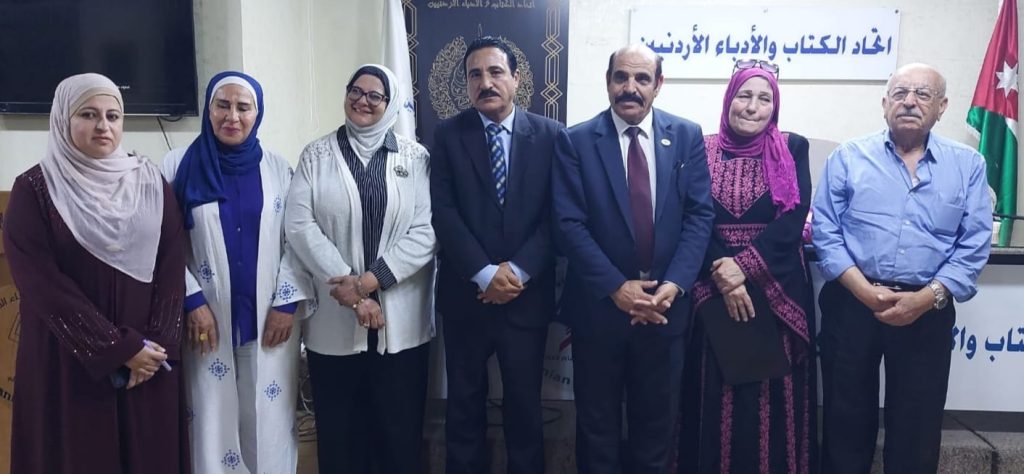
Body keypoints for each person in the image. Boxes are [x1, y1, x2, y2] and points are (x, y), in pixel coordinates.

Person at [4, 73, 189, 473]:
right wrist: (117, 350)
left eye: (113, 116)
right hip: (69, 362)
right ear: (63, 120)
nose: (103, 126)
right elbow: (42, 285)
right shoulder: (34, 190)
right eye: (88, 114)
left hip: (148, 366)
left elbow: (172, 267)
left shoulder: (151, 182)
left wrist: (155, 348)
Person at [812, 63, 992, 473]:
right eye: (900, 93)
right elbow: (826, 231)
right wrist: (864, 291)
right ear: (884, 104)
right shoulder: (848, 157)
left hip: (927, 309)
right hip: (852, 303)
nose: (910, 101)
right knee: (844, 421)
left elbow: (974, 242)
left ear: (942, 106)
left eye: (923, 94)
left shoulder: (968, 164)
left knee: (917, 427)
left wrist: (926, 298)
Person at [552, 44, 714, 473]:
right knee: (596, 431)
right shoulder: (576, 140)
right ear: (608, 82)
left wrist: (674, 284)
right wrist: (616, 287)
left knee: (656, 433)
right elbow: (568, 224)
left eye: (642, 78)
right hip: (599, 312)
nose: (630, 87)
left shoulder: (686, 136)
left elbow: (700, 215)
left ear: (658, 85)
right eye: (621, 77)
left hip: (664, 311)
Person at [284, 63, 436, 474]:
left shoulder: (416, 157)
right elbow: (299, 224)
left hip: (400, 324)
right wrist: (348, 284)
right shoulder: (316, 155)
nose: (362, 101)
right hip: (335, 321)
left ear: (390, 103)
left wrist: (369, 282)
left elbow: (427, 231)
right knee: (340, 434)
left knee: (398, 434)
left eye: (375, 95)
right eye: (356, 90)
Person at [430, 36, 564, 474]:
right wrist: (484, 273)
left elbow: (557, 215)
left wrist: (518, 271)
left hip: (526, 298)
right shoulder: (448, 135)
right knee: (464, 406)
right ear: (467, 84)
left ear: (516, 78)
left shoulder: (551, 136)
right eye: (475, 75)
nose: (485, 82)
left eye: (495, 72)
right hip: (466, 295)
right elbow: (443, 212)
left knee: (524, 408)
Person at [161, 71, 307, 474]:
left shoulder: (278, 169)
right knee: (211, 415)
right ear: (208, 109)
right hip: (204, 319)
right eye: (222, 105)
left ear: (258, 114)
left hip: (270, 319)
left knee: (269, 416)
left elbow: (298, 242)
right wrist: (192, 300)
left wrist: (286, 304)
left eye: (244, 107)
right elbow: (162, 242)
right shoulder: (177, 165)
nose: (232, 116)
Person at [677, 62, 816, 474]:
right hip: (712, 283)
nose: (752, 107)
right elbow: (692, 217)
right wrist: (726, 276)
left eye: (764, 98)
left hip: (777, 287)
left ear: (775, 106)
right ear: (729, 99)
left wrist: (745, 267)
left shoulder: (792, 147)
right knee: (713, 390)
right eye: (744, 95)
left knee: (773, 396)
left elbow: (793, 217)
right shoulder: (699, 147)